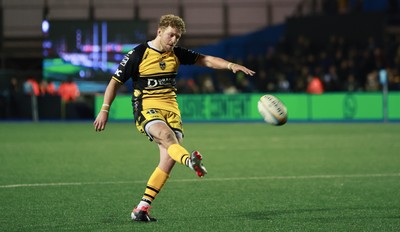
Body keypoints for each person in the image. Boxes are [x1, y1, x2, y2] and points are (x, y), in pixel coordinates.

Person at [93, 14, 255, 222]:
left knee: (168, 159)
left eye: (177, 37)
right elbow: (114, 82)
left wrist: (231, 65)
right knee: (166, 137)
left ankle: (142, 208)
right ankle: (190, 161)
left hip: (171, 110)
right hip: (147, 107)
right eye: (171, 35)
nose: (174, 41)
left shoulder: (176, 54)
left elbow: (206, 60)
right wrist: (105, 109)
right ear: (159, 31)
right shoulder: (138, 54)